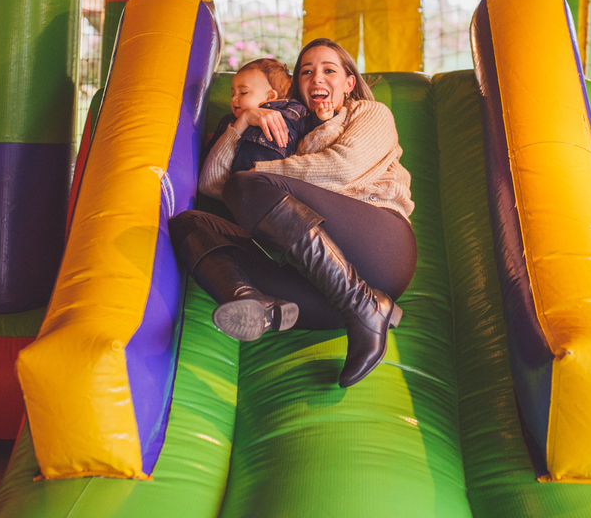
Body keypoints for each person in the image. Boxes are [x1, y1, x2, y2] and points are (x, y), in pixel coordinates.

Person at [170, 38, 417, 388]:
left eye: (328, 70)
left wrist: (257, 175)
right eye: (307, 72)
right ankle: (253, 302)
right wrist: (243, 122)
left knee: (246, 184)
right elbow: (213, 185)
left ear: (349, 83)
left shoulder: (369, 113)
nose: (317, 78)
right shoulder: (291, 128)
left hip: (381, 245)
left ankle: (363, 306)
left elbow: (342, 170)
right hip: (323, 289)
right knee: (188, 224)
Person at [205, 58, 326, 174]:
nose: (234, 99)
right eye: (233, 94)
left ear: (270, 96)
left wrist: (321, 117)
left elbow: (310, 127)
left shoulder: (292, 112)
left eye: (243, 92)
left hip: (271, 177)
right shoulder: (229, 122)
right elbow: (210, 157)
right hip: (237, 180)